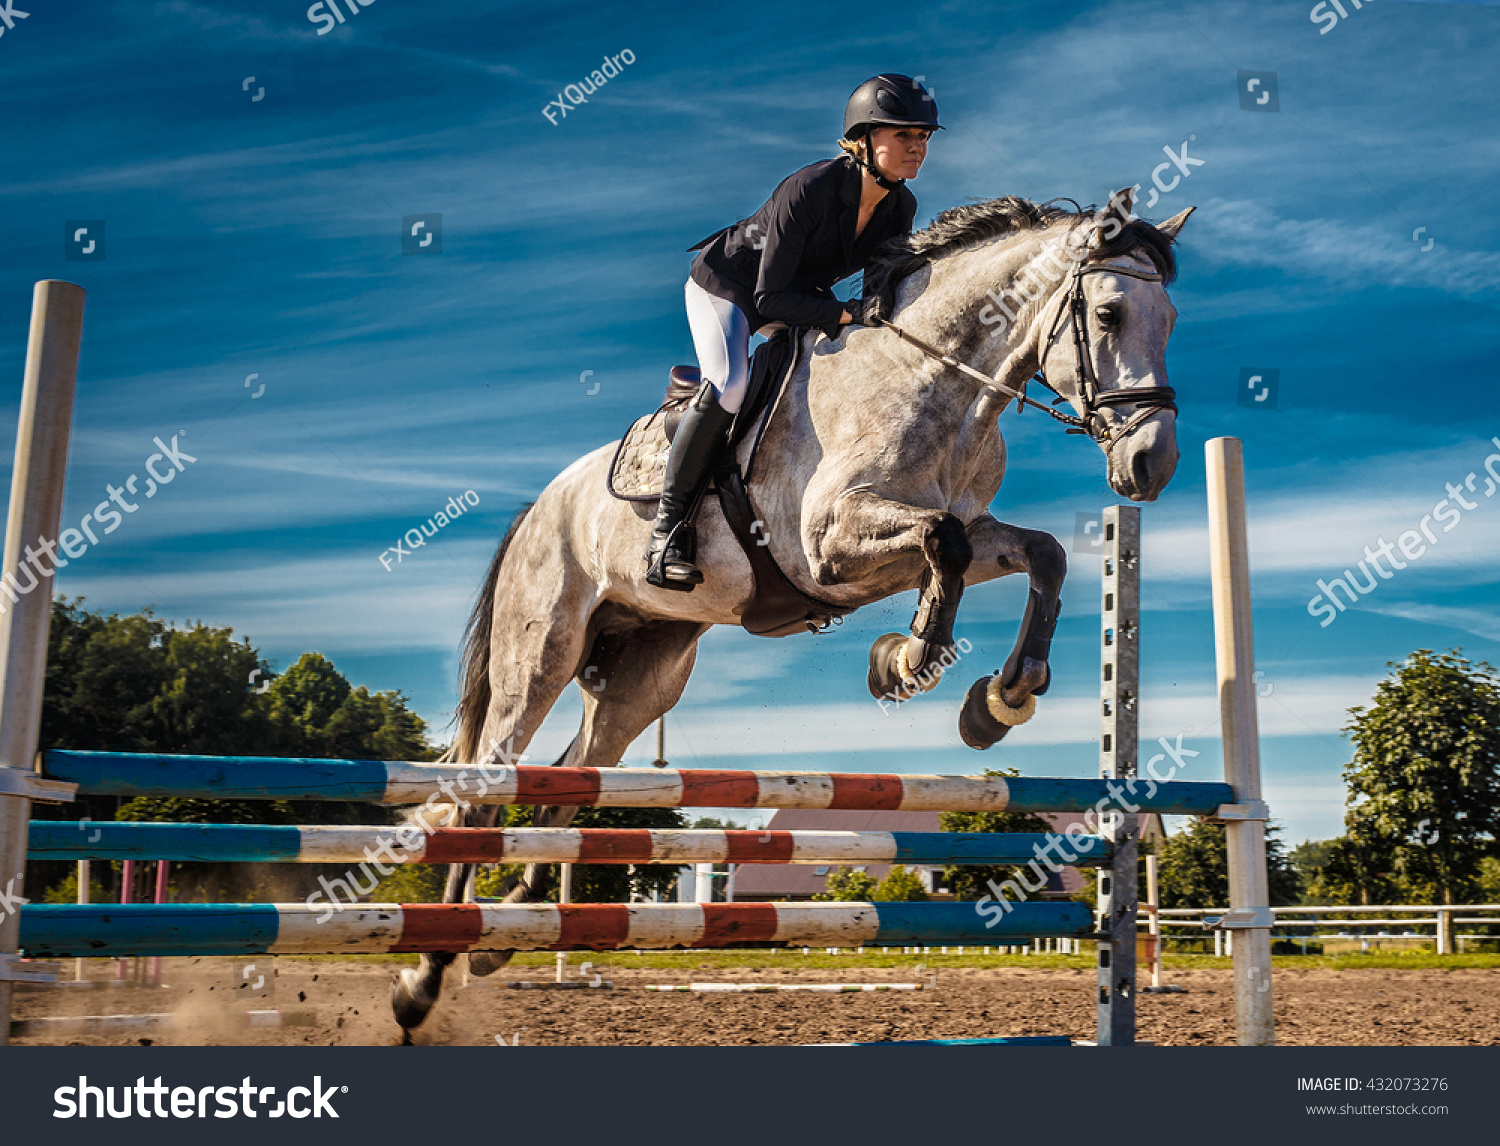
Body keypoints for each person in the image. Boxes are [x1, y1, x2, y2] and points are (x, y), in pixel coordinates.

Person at [644, 73, 942, 590]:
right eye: (903, 136)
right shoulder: (809, 188)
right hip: (730, 285)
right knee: (732, 383)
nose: (917, 148)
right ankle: (667, 535)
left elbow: (875, 288)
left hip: (795, 291)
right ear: (866, 139)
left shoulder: (901, 207)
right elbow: (768, 299)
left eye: (923, 138)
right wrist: (846, 315)